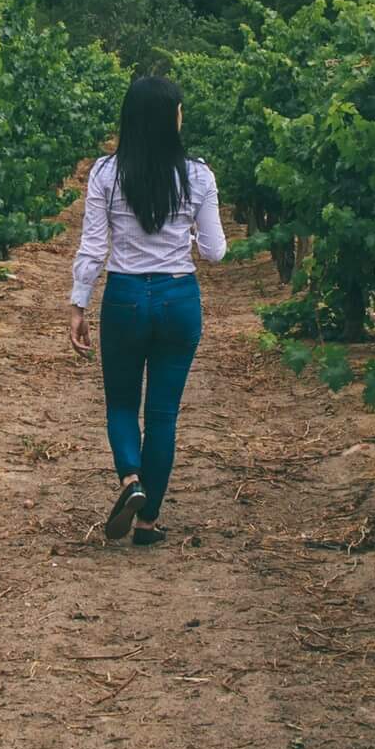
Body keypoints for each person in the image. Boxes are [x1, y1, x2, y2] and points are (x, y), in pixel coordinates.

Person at [69, 74, 229, 544]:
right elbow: (216, 252)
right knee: (162, 415)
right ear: (169, 119)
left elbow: (94, 248)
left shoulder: (105, 173)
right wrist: (190, 236)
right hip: (179, 299)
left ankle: (130, 480)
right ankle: (148, 522)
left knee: (120, 402)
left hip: (125, 297)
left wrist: (78, 303)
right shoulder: (198, 175)